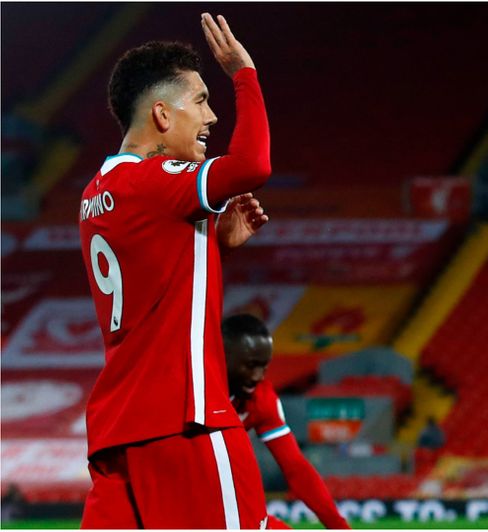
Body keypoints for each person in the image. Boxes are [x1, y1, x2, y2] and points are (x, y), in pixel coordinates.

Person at [79, 14, 273, 528]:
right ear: (162, 115)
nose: (211, 118)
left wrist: (215, 246)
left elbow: (153, 285)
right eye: (202, 102)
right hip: (187, 418)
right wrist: (243, 74)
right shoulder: (156, 179)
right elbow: (252, 165)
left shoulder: (96, 193)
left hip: (119, 431)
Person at [223, 314, 351, 530]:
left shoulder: (261, 399)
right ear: (221, 355)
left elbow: (296, 468)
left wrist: (339, 527)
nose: (258, 376)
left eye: (264, 366)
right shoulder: (186, 391)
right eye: (251, 365)